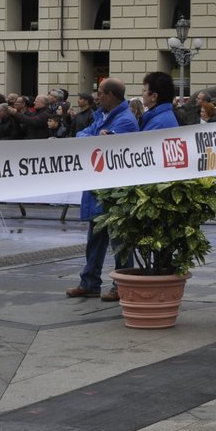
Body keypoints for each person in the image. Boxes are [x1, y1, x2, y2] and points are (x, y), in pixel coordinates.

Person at [68, 78, 138, 302]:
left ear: (111, 95)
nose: (96, 97)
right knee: (95, 240)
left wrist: (94, 138)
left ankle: (121, 284)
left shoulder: (125, 120)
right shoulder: (102, 116)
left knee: (119, 242)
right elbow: (82, 135)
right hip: (99, 188)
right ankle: (89, 282)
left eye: (100, 93)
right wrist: (94, 138)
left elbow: (103, 146)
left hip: (114, 191)